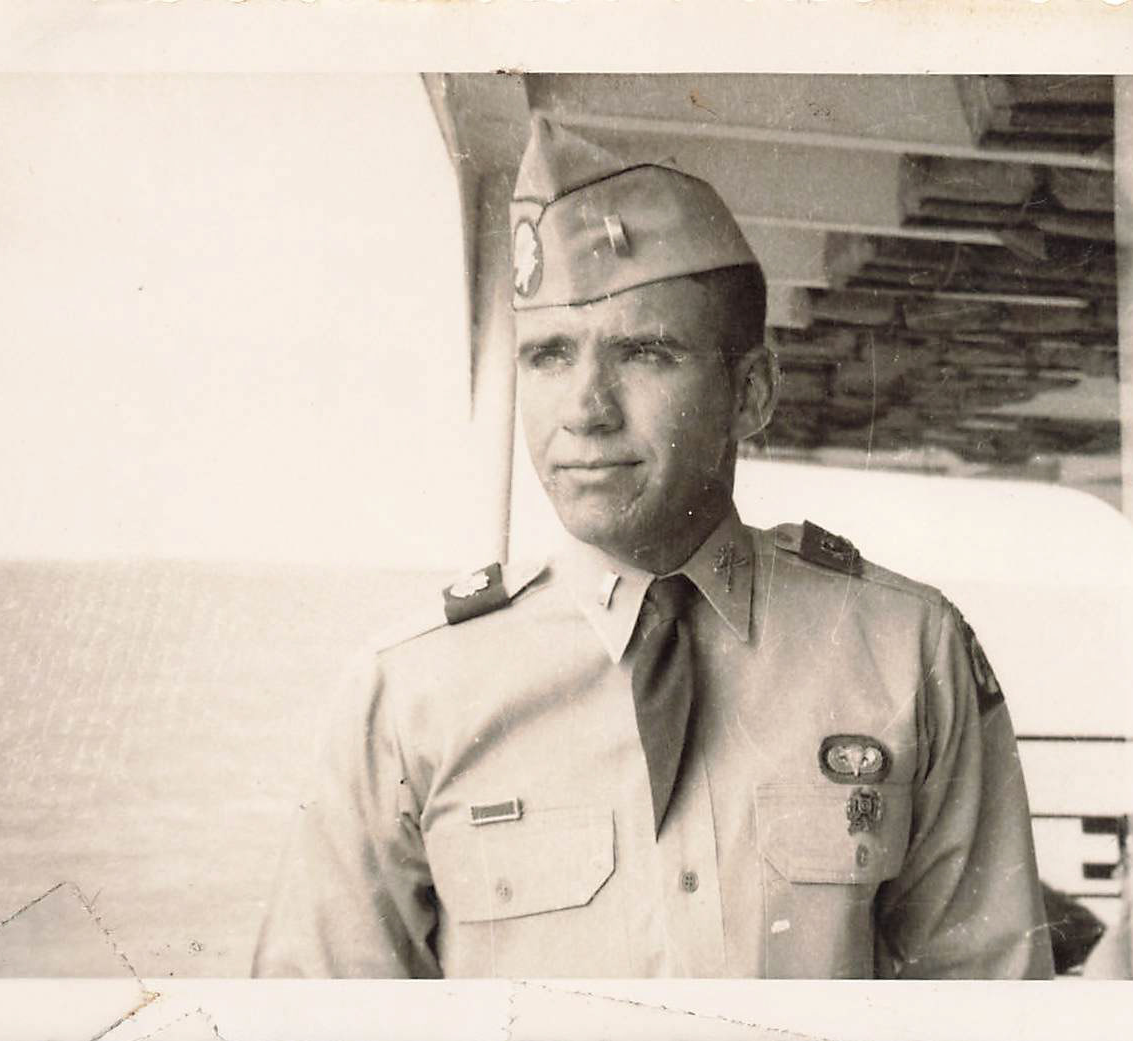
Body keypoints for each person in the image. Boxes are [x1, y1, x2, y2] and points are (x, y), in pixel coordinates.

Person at [252, 118, 1054, 980]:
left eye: (643, 353)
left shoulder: (905, 653)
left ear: (751, 392)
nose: (584, 409)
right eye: (549, 356)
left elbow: (992, 1002)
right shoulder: (410, 694)